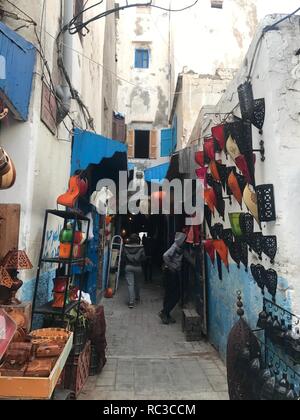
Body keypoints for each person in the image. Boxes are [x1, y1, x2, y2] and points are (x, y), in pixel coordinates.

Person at [159, 232, 187, 325]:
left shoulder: (180, 248)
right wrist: (172, 266)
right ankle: (164, 312)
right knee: (176, 294)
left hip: (172, 272)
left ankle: (166, 314)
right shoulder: (175, 247)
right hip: (170, 273)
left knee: (169, 293)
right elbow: (165, 256)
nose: (185, 242)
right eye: (184, 241)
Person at [124, 234, 146, 309]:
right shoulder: (141, 248)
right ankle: (137, 297)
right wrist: (138, 259)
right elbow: (143, 258)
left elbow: (124, 257)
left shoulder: (126, 247)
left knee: (130, 284)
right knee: (137, 283)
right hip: (138, 267)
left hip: (128, 266)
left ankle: (131, 302)